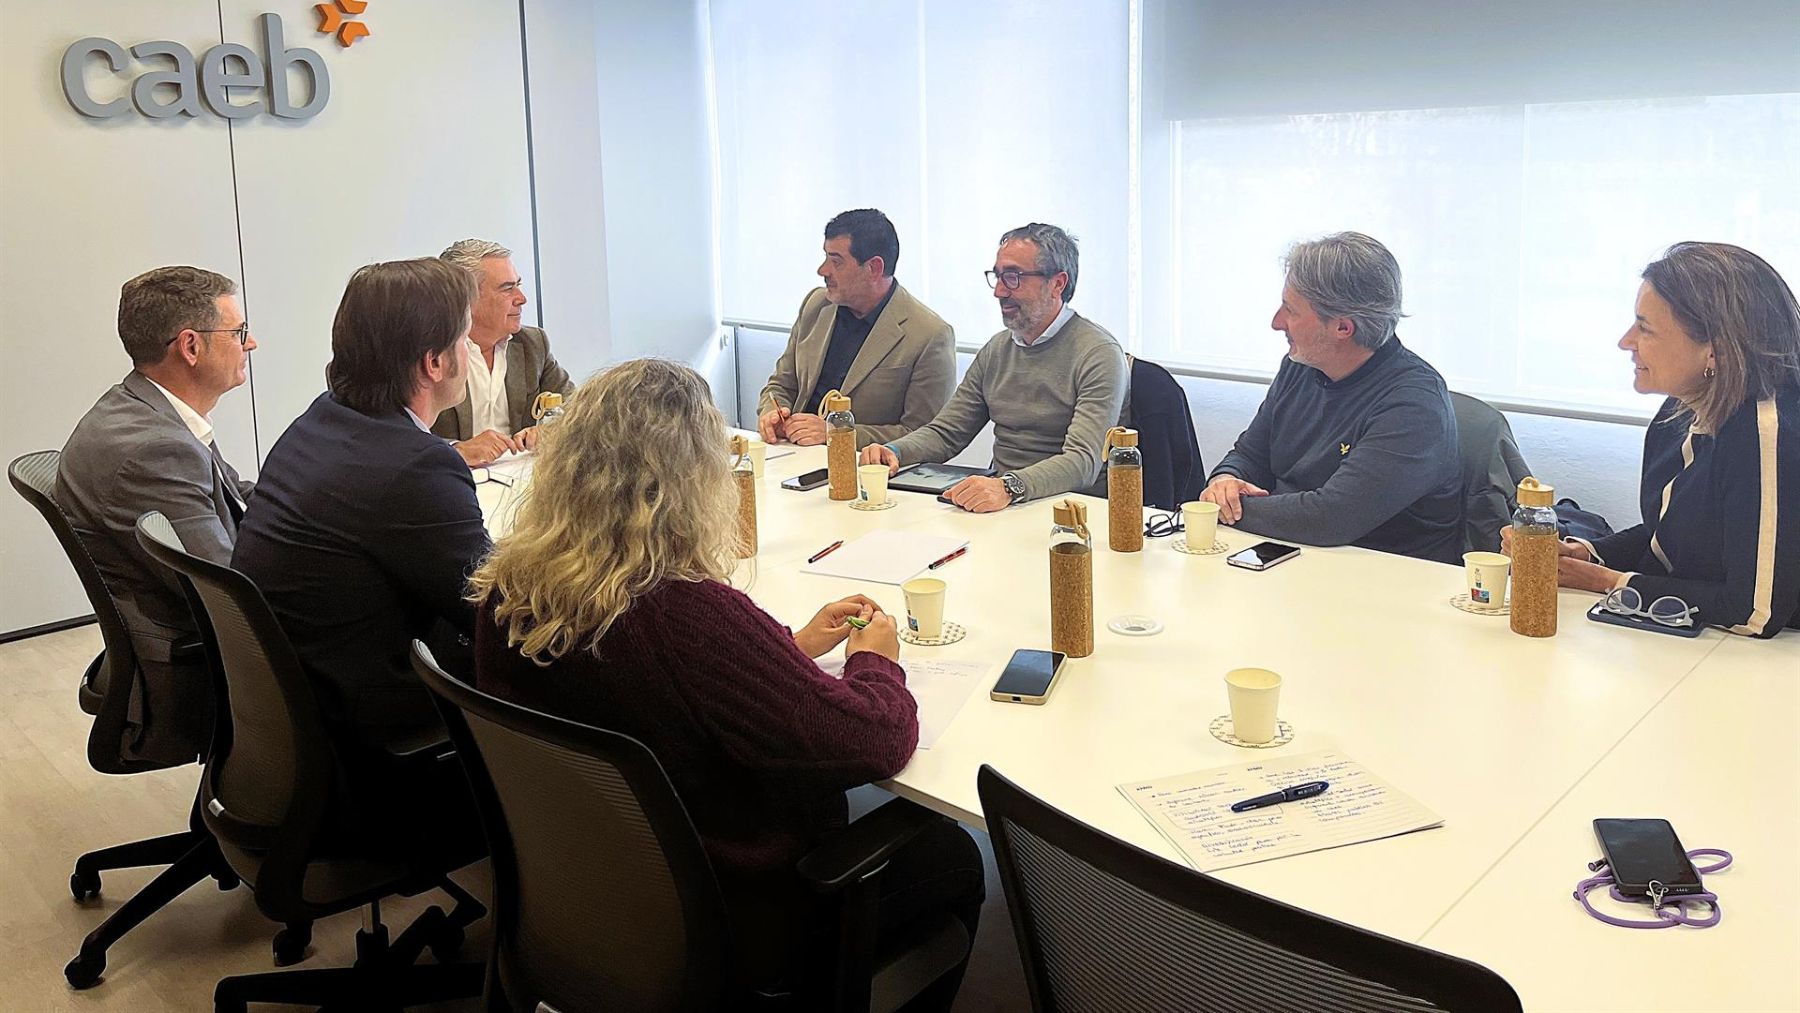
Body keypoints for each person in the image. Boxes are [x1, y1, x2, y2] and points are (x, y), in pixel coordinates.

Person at [471, 358, 983, 1001]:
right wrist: (876, 660)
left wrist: (785, 649)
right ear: (689, 482)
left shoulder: (508, 589)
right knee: (951, 854)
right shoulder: (685, 615)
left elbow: (658, 692)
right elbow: (875, 739)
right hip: (730, 911)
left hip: (584, 885)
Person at [233, 258, 491, 851]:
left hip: (308, 710)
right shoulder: (415, 465)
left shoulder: (321, 422)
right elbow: (494, 613)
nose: (469, 349)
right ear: (434, 363)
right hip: (375, 742)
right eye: (463, 338)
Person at [1505, 242, 1800, 637]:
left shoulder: (1766, 430)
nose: (1626, 341)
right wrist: (1588, 554)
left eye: (1645, 328)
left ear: (1713, 350)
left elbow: (1755, 611)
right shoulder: (1681, 408)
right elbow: (1674, 532)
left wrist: (1608, 583)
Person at [55, 266, 256, 765]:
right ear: (191, 347)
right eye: (238, 332)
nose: (251, 344)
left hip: (173, 628)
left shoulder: (143, 409)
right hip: (191, 662)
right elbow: (233, 596)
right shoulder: (156, 448)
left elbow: (232, 494)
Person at [1199, 232, 1462, 563]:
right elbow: (1250, 456)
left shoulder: (1415, 404)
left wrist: (1225, 509)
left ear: (1342, 328)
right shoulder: (1301, 365)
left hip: (1381, 581)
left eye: (1291, 311)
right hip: (1294, 561)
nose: (1276, 322)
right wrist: (1225, 482)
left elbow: (1330, 518)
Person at [860, 223, 1127, 512]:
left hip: (1072, 511)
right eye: (997, 277)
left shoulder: (1098, 354)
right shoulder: (997, 349)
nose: (999, 291)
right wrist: (896, 450)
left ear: (1057, 284)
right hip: (1004, 503)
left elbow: (1082, 461)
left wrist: (1009, 487)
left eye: (1013, 277)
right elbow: (947, 432)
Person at [757, 209, 955, 448]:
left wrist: (837, 433)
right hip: (794, 454)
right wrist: (772, 412)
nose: (823, 270)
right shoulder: (816, 306)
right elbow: (780, 385)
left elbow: (925, 436)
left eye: (836, 261)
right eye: (825, 257)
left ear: (874, 268)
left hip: (865, 470)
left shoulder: (929, 334)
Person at [431, 239, 574, 466]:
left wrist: (550, 430)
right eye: (508, 288)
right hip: (451, 481)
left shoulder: (533, 343)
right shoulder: (430, 352)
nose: (522, 298)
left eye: (518, 285)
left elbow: (575, 409)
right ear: (465, 298)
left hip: (519, 482)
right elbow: (397, 434)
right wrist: (456, 450)